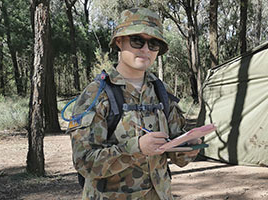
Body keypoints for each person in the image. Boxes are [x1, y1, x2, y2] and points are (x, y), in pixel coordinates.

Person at [67, 7, 201, 200]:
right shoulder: (96, 94)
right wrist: (135, 148)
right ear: (119, 42)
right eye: (137, 40)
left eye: (153, 43)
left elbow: (177, 156)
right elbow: (84, 162)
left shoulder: (162, 92)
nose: (146, 49)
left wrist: (190, 145)